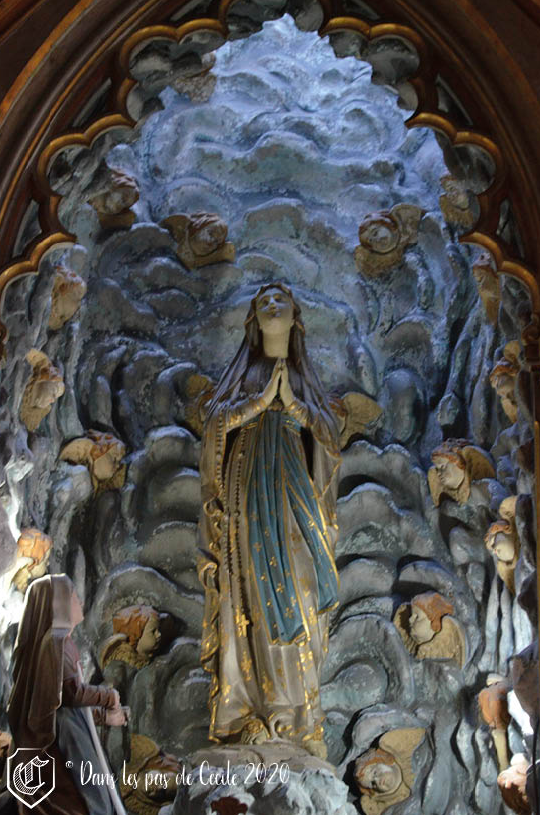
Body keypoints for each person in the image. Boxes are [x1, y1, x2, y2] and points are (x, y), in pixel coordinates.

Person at [198, 283, 340, 757]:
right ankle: (249, 711)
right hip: (247, 494)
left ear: (296, 315)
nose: (273, 306)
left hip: (293, 492)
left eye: (280, 300)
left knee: (300, 588)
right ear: (253, 320)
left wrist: (293, 406)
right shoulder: (245, 373)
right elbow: (214, 424)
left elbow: (329, 437)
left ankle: (301, 717)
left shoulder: (303, 377)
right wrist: (258, 403)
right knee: (249, 591)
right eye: (264, 302)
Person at [7, 574, 128, 814]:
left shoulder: (61, 643)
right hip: (59, 748)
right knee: (89, 800)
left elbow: (64, 706)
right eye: (72, 596)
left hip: (65, 739)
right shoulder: (55, 642)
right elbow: (70, 695)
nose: (79, 602)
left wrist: (104, 716)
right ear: (59, 602)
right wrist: (109, 697)